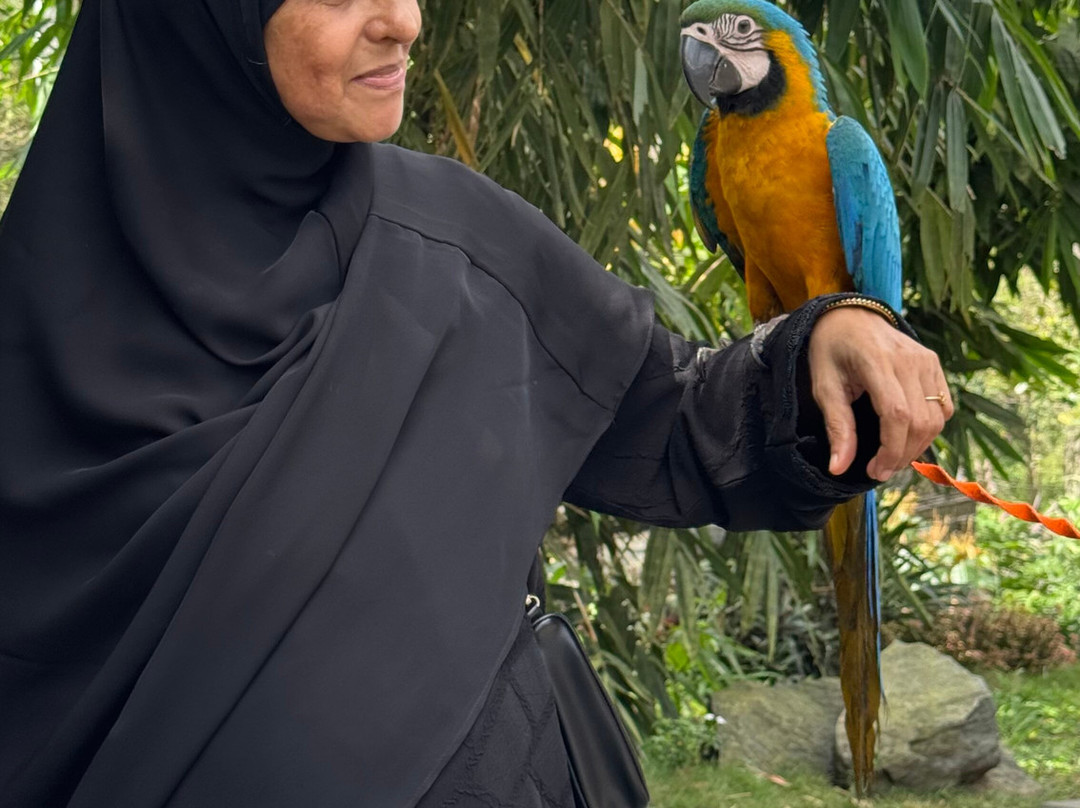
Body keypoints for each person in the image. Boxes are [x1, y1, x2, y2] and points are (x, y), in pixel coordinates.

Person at [0, 0, 952, 805]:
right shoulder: (26, 338)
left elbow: (671, 417)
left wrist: (817, 347)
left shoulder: (454, 237)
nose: (406, 20)